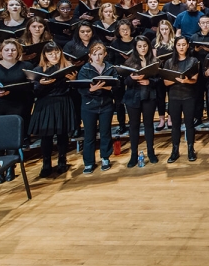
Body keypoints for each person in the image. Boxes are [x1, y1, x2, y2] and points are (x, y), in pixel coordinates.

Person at [28, 42, 77, 177]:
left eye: (56, 52)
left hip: (62, 101)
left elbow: (74, 89)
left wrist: (73, 80)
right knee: (46, 135)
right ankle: (46, 163)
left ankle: (62, 160)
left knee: (62, 134)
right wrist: (41, 84)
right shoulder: (39, 70)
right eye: (50, 53)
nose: (54, 56)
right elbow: (35, 92)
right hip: (46, 103)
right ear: (45, 55)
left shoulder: (67, 66)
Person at [77, 41, 118, 174]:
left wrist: (105, 87)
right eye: (95, 54)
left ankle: (105, 158)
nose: (98, 57)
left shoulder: (110, 68)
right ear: (90, 56)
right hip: (89, 106)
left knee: (105, 132)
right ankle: (89, 162)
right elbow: (81, 89)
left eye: (100, 54)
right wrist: (92, 90)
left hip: (106, 104)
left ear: (105, 54)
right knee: (89, 135)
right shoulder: (85, 69)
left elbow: (116, 85)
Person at [122, 35, 160, 166]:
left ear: (148, 46)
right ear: (135, 48)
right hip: (133, 97)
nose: (142, 48)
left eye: (144, 46)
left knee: (149, 124)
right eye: (139, 46)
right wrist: (132, 78)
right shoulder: (129, 62)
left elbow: (159, 81)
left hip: (149, 95)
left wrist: (149, 81)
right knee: (134, 126)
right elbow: (124, 82)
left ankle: (151, 152)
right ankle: (134, 155)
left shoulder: (154, 61)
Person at [0, 38, 34, 125]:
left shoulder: (27, 66)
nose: (10, 52)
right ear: (0, 52)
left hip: (19, 104)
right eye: (6, 50)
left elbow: (31, 86)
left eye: (13, 50)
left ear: (18, 52)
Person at [164, 35, 200, 162]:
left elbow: (194, 80)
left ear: (187, 46)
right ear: (175, 46)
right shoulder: (169, 62)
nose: (181, 47)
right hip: (174, 97)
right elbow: (166, 83)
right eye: (179, 45)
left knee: (189, 124)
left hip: (189, 96)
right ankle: (175, 150)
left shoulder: (193, 61)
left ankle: (191, 149)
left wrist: (186, 80)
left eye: (184, 44)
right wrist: (176, 80)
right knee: (175, 126)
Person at [153, 18, 176, 130]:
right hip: (160, 73)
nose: (164, 31)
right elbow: (154, 59)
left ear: (170, 29)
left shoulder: (175, 41)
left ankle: (170, 118)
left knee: (171, 96)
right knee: (160, 97)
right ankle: (162, 119)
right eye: (162, 29)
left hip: (171, 72)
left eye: (166, 29)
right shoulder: (155, 42)